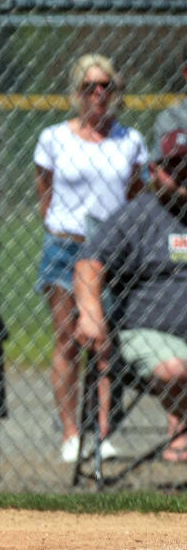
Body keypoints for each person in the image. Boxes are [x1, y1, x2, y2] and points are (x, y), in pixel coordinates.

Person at [33, 53, 147, 463]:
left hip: (111, 251)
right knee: (67, 340)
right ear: (77, 92)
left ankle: (101, 432)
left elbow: (136, 193)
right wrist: (60, 228)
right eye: (89, 87)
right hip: (66, 246)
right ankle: (70, 433)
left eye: (106, 86)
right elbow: (44, 191)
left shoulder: (129, 140)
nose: (98, 94)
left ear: (115, 91)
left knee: (104, 341)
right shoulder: (54, 138)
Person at [75, 129, 187, 462]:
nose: (182, 175)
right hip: (146, 335)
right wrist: (91, 312)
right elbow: (88, 264)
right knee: (175, 369)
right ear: (153, 171)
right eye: (174, 168)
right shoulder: (137, 216)